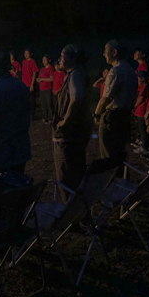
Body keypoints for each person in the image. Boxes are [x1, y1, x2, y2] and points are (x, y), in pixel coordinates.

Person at [52, 45, 91, 202]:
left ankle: (69, 214)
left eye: (63, 56)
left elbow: (77, 97)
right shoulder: (79, 72)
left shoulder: (75, 75)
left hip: (69, 136)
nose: (60, 59)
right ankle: (78, 207)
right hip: (78, 133)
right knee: (77, 171)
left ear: (73, 58)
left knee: (66, 174)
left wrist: (65, 120)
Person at [94, 40, 138, 163]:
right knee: (120, 151)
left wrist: (97, 114)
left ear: (114, 52)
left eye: (105, 51)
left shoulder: (115, 71)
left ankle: (112, 180)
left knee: (108, 154)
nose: (104, 54)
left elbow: (106, 97)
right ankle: (122, 178)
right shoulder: (130, 70)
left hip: (112, 117)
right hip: (125, 115)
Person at [132, 70, 149, 157]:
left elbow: (141, 98)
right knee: (141, 129)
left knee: (143, 130)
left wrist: (134, 106)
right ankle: (143, 145)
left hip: (142, 111)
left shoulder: (146, 87)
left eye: (138, 78)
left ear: (142, 79)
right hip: (139, 111)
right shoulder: (142, 86)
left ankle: (145, 148)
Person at [37, 54, 55, 125]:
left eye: (45, 60)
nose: (43, 61)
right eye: (43, 60)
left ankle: (51, 118)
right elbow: (40, 77)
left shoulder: (50, 68)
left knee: (49, 104)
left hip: (48, 89)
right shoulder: (42, 69)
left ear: (49, 60)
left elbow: (51, 79)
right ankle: (44, 118)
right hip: (42, 89)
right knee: (43, 104)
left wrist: (42, 79)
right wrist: (38, 80)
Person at [22, 48, 38, 120]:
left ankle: (32, 115)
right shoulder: (24, 62)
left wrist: (32, 84)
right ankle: (26, 113)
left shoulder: (33, 62)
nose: (26, 55)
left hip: (30, 83)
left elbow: (34, 73)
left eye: (27, 53)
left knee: (31, 100)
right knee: (25, 100)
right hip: (24, 84)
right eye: (25, 53)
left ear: (31, 54)